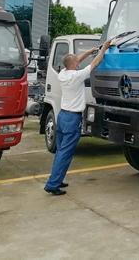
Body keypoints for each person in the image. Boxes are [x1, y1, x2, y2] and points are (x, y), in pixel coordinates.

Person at [44, 40, 112, 195]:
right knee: (65, 153)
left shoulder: (63, 73)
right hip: (72, 119)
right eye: (77, 61)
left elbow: (76, 60)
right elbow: (94, 64)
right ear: (74, 63)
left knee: (61, 150)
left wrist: (88, 52)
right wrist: (103, 50)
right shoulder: (76, 76)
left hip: (62, 117)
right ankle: (52, 184)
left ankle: (57, 179)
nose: (78, 62)